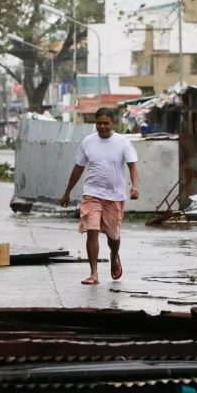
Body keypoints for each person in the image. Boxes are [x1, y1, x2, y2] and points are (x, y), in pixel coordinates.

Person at [60, 108, 139, 285]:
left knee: (113, 236)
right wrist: (67, 192)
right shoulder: (88, 142)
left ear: (113, 123)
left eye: (106, 123)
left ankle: (114, 255)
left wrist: (134, 186)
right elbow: (78, 168)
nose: (102, 127)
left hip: (114, 195)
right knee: (92, 231)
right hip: (92, 194)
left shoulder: (123, 142)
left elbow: (132, 166)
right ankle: (94, 273)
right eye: (99, 123)